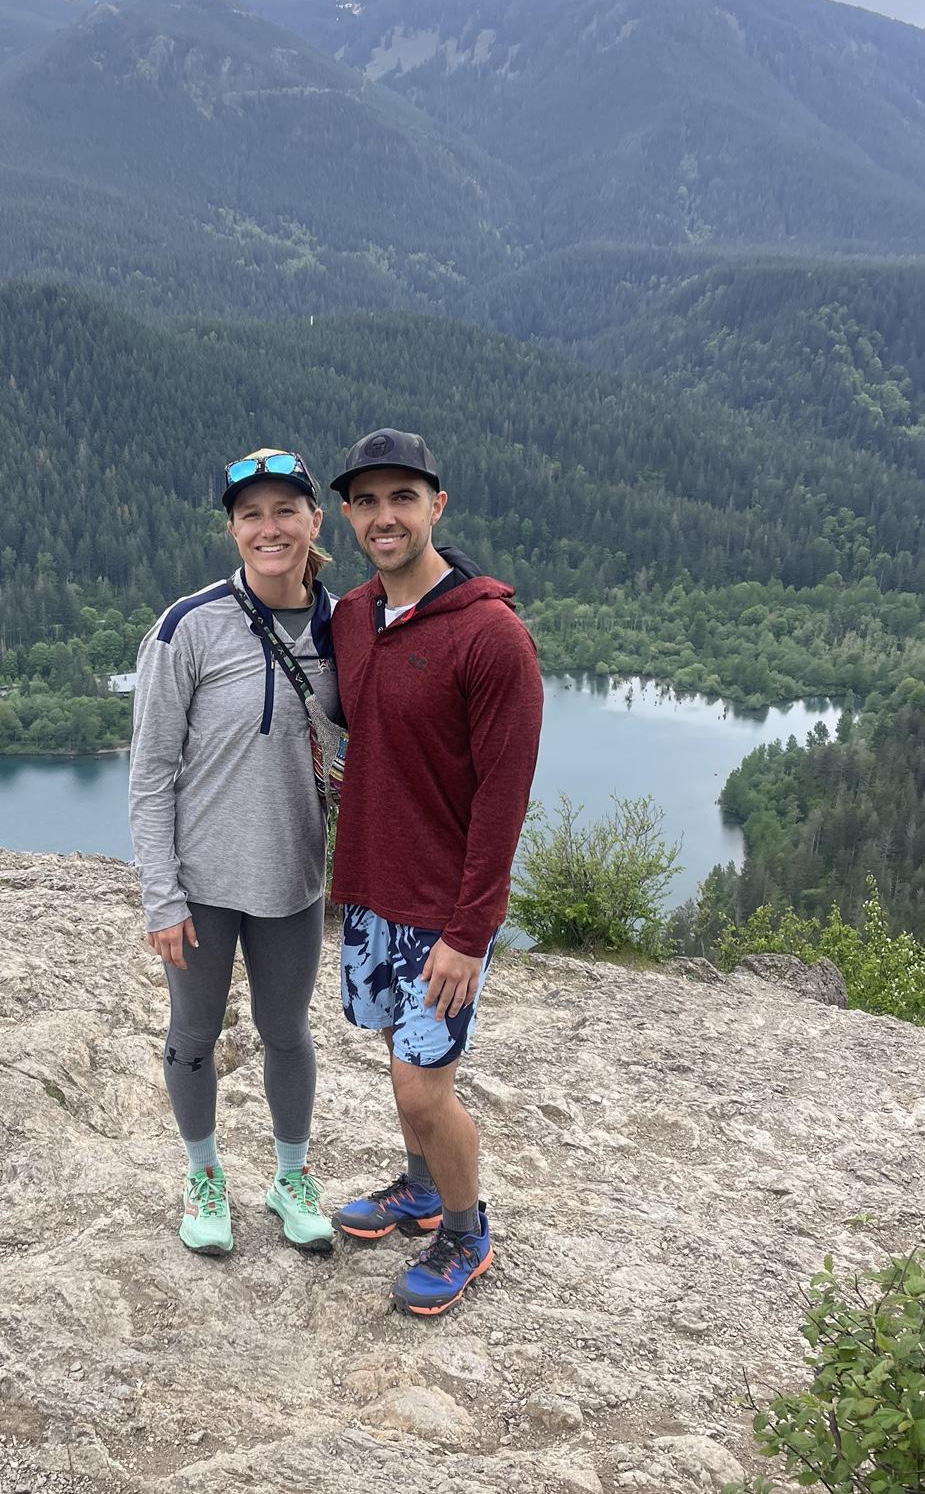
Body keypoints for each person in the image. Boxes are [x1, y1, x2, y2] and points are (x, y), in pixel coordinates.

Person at [327, 427, 543, 1315]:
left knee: (424, 1087)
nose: (386, 517)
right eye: (369, 501)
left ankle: (465, 1228)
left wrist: (468, 934)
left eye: (403, 498)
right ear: (347, 515)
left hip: (442, 915)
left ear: (436, 507)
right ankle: (418, 1188)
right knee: (393, 1053)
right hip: (371, 894)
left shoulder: (491, 638)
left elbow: (503, 799)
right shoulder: (349, 617)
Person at [128, 448, 340, 1257]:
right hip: (203, 882)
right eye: (251, 514)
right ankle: (204, 1175)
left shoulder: (341, 626)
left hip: (293, 879)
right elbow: (149, 773)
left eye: (285, 509)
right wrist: (161, 895)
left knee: (286, 1030)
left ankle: (290, 1179)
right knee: (194, 1033)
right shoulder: (188, 627)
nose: (269, 527)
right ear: (232, 529)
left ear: (314, 521)